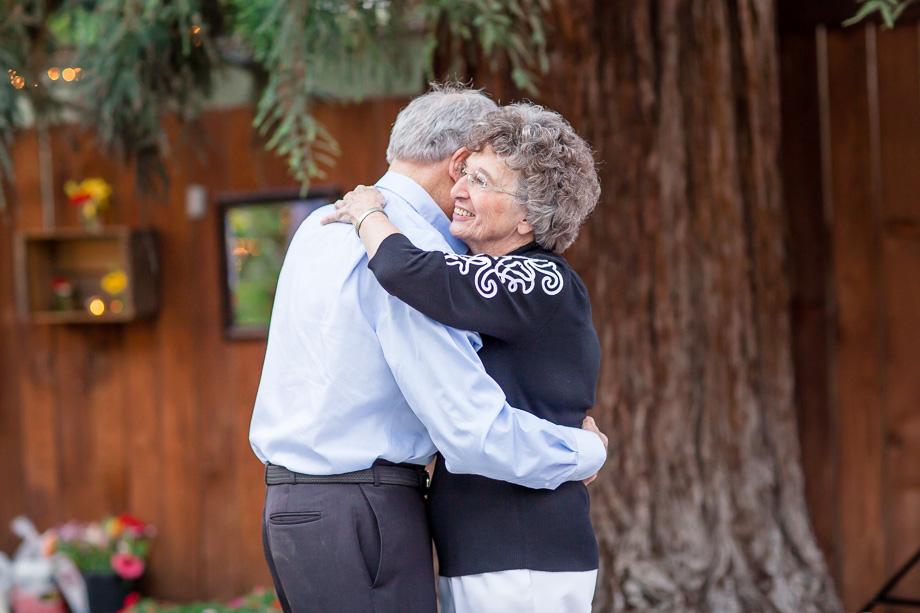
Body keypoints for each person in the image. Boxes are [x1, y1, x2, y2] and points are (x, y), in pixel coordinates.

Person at [249, 84, 608, 613]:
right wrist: (584, 451)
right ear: (459, 161)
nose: (465, 191)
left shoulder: (319, 227)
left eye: (485, 181)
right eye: (474, 173)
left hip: (289, 509)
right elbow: (469, 425)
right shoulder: (406, 244)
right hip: (367, 512)